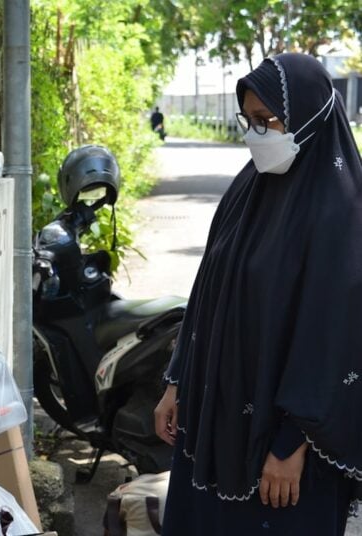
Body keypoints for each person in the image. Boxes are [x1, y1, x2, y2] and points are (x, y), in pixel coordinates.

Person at [154, 53, 362, 535]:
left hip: (285, 451)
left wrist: (290, 446)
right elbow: (209, 291)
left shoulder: (343, 210)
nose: (256, 134)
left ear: (311, 114)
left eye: (267, 121)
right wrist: (177, 381)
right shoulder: (249, 189)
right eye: (248, 121)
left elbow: (338, 340)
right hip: (215, 422)